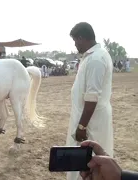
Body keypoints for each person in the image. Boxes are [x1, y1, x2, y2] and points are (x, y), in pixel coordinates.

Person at [67, 22, 114, 180]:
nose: (75, 45)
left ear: (82, 38)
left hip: (91, 121)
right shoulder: (91, 56)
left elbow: (92, 97)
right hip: (87, 118)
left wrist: (82, 126)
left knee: (90, 160)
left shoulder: (96, 59)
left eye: (75, 41)